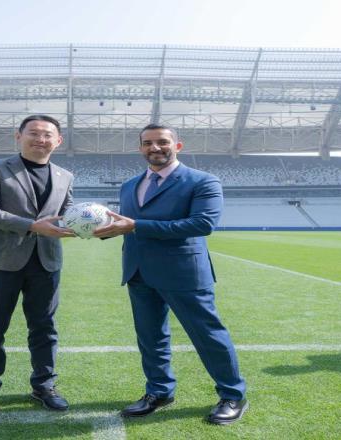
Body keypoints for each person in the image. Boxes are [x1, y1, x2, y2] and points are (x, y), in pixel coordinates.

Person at [93, 123, 248, 424]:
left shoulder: (202, 181)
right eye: (147, 143)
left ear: (177, 145)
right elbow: (126, 225)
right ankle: (159, 391)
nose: (155, 148)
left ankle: (233, 395)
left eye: (162, 142)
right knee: (150, 338)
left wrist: (136, 226)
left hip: (183, 273)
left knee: (208, 335)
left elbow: (202, 224)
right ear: (140, 148)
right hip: (138, 271)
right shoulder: (129, 185)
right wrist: (95, 230)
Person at [0, 114, 75, 418]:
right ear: (18, 136)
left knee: (44, 327)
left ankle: (44, 385)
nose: (41, 139)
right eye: (34, 133)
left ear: (58, 140)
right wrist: (31, 225)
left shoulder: (65, 175)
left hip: (46, 261)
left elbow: (66, 211)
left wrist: (89, 221)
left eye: (48, 135)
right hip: (0, 261)